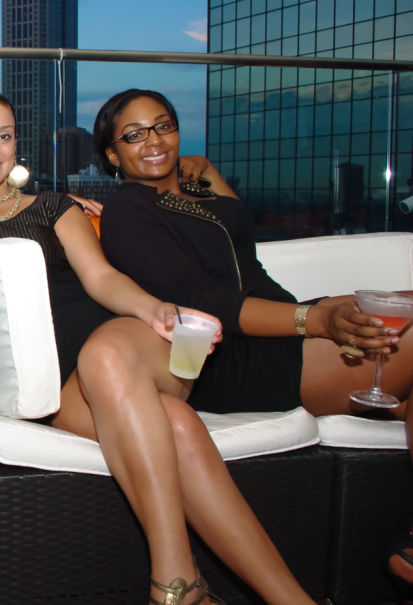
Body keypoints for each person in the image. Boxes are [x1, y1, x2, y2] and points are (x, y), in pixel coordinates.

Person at [0, 87, 371, 604]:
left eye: (4, 136)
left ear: (18, 146)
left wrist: (155, 310)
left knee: (108, 356)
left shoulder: (56, 207)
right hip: (60, 386)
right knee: (176, 426)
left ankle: (172, 582)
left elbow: (102, 278)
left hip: (128, 344)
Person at [94, 88, 413, 603]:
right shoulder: (129, 209)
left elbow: (238, 236)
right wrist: (316, 319)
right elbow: (204, 299)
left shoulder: (195, 192)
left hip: (283, 324)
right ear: (112, 154)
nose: (153, 141)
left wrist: (204, 172)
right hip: (235, 353)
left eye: (163, 125)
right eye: (133, 135)